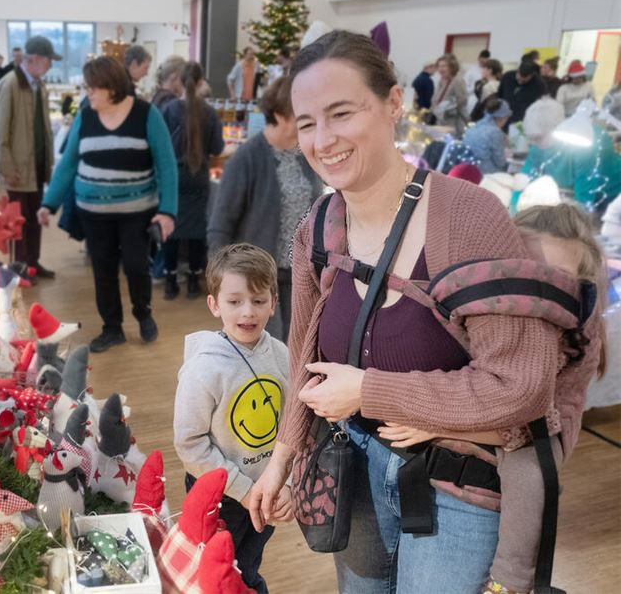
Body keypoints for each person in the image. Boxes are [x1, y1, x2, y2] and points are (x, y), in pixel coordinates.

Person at [246, 30, 565, 592]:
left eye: (341, 113)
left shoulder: (469, 218)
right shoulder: (319, 227)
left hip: (456, 488)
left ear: (394, 103)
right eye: (308, 123)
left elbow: (523, 384)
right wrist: (283, 458)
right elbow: (304, 360)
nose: (323, 140)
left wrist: (370, 392)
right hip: (353, 470)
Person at [377, 203, 605, 594]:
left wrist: (433, 420)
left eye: (556, 282)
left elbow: (526, 422)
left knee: (528, 471)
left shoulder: (567, 338)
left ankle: (511, 581)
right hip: (431, 470)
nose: (536, 295)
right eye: (526, 273)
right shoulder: (495, 314)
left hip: (528, 449)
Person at [173, 243, 294, 594]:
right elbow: (190, 443)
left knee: (247, 564)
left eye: (258, 301)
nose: (248, 312)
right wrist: (244, 491)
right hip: (220, 495)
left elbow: (293, 426)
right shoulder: (203, 367)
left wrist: (286, 483)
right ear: (214, 305)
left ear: (274, 302)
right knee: (214, 575)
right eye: (234, 301)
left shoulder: (281, 354)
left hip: (265, 493)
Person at [37, 56, 178, 352]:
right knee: (103, 271)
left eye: (92, 88)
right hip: (93, 213)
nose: (87, 93)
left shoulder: (146, 114)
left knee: (137, 267)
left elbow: (167, 166)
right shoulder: (86, 115)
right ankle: (112, 328)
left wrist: (167, 211)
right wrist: (48, 204)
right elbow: (69, 162)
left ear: (111, 88)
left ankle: (143, 313)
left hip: (137, 212)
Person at [207, 77, 323, 342]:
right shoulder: (247, 158)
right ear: (280, 115)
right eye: (302, 116)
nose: (311, 124)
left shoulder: (305, 154)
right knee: (266, 344)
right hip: (256, 276)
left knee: (297, 341)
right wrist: (223, 279)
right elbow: (220, 225)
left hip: (299, 272)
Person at [0, 36, 59, 280]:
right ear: (36, 59)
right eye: (49, 60)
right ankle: (19, 268)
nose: (51, 65)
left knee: (34, 218)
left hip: (36, 166)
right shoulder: (8, 85)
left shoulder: (39, 85)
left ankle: (32, 262)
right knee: (18, 222)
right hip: (17, 169)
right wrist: (6, 166)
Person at [160, 62, 224, 300]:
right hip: (199, 176)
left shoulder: (169, 109)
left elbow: (160, 145)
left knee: (171, 229)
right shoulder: (209, 112)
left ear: (180, 81)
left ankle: (170, 281)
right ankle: (194, 282)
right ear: (200, 83)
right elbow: (217, 147)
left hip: (174, 176)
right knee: (198, 231)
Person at [463, 97, 512, 174]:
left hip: (467, 170)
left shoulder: (475, 126)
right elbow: (500, 162)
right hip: (486, 175)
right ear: (503, 118)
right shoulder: (495, 132)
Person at [498, 59, 548, 129]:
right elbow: (500, 95)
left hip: (523, 122)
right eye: (518, 79)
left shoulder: (540, 85)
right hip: (503, 119)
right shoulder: (507, 76)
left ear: (532, 75)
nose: (520, 82)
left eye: (523, 81)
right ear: (517, 71)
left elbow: (541, 106)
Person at [432, 53, 469, 135]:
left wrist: (447, 108)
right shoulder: (442, 81)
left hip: (453, 122)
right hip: (440, 120)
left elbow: (462, 101)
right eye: (439, 66)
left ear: (452, 67)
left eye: (444, 66)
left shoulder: (458, 81)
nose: (441, 69)